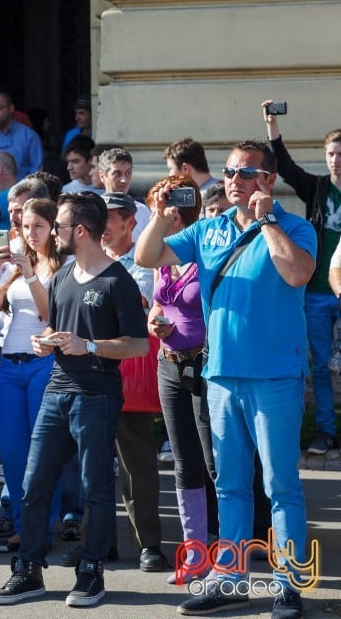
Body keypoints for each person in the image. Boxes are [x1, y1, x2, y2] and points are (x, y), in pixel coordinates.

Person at [136, 141, 315, 618]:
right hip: (220, 377)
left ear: (267, 180)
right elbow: (147, 256)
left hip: (275, 376)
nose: (233, 179)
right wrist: (157, 216)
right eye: (230, 171)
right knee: (229, 484)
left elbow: (298, 274)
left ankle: (288, 584)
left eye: (245, 172)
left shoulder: (295, 227)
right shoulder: (209, 229)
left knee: (281, 486)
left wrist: (268, 221)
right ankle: (229, 580)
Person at [0, 192, 147, 608]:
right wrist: (48, 343)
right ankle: (28, 570)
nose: (52, 232)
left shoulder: (118, 281)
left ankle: (91, 570)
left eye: (57, 225)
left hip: (97, 395)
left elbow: (137, 346)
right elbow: (60, 331)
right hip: (57, 390)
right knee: (33, 483)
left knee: (95, 486)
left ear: (79, 231)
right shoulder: (60, 277)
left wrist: (89, 345)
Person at [142, 175, 217, 584]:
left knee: (214, 462)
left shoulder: (203, 248)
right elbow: (157, 304)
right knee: (184, 462)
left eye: (165, 206)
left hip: (205, 364)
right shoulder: (162, 257)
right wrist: (155, 323)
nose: (159, 214)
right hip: (169, 364)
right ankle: (195, 554)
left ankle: (226, 549)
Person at [0, 197, 62, 556]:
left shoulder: (63, 263)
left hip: (44, 362)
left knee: (42, 451)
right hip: (10, 363)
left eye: (39, 226)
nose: (31, 233)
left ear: (53, 228)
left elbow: (48, 313)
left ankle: (39, 527)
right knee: (12, 451)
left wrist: (29, 271)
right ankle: (21, 525)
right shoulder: (12, 257)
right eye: (26, 226)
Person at [99, 191, 169, 573]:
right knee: (92, 464)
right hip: (88, 372)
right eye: (99, 218)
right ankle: (100, 543)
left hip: (127, 372)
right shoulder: (82, 261)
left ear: (130, 223)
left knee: (136, 462)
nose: (103, 225)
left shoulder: (145, 263)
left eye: (110, 218)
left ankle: (148, 544)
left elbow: (137, 308)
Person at [264, 104, 340, 455]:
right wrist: (272, 126)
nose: (336, 160)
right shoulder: (317, 189)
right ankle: (325, 432)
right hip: (318, 294)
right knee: (321, 368)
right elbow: (288, 169)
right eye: (331, 154)